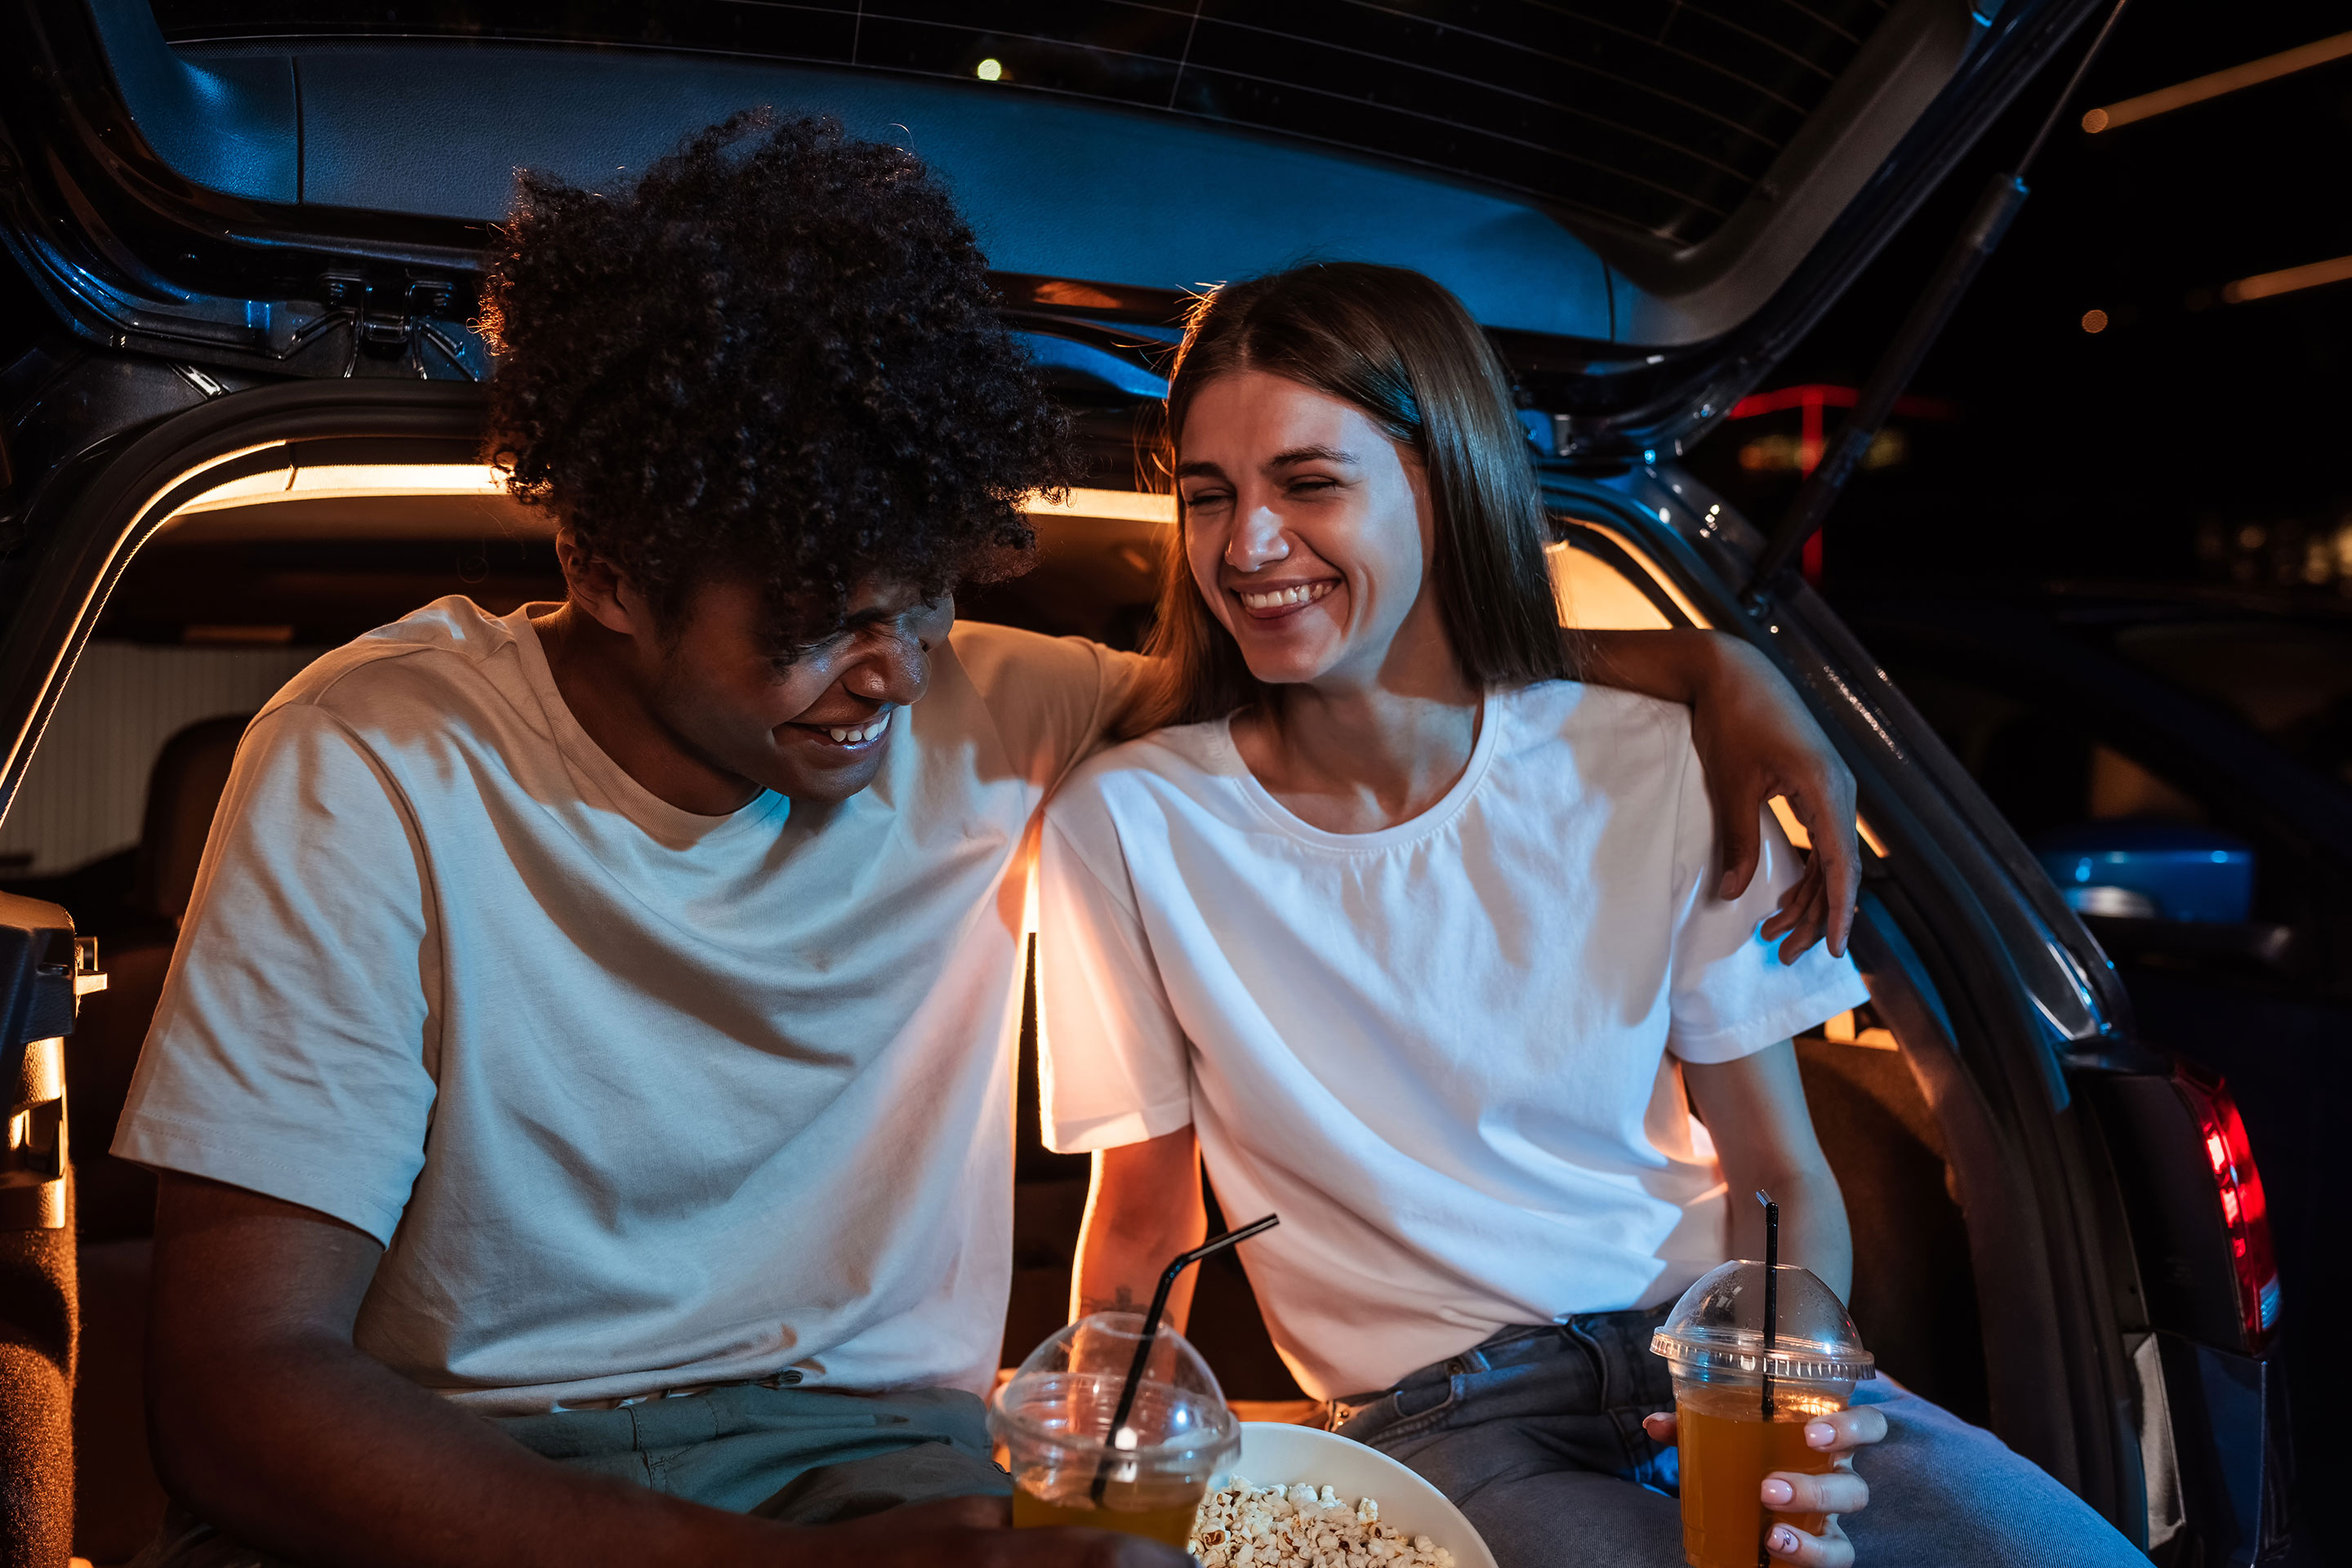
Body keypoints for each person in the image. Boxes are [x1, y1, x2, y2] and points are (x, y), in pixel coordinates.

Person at [115, 119, 1860, 1568]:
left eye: (929, 598)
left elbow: (1351, 675)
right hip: (461, 1480)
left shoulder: (991, 706)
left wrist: (1701, 668)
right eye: (818, 620)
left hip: (879, 1463)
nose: (889, 676)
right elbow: (242, 1385)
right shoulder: (376, 758)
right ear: (614, 573)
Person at [1035, 263, 2152, 1568]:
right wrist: (1094, 1485)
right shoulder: (1126, 825)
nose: (1247, 546)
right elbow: (1140, 1224)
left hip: (1717, 1355)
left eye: (1309, 483)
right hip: (1440, 1425)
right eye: (1210, 497)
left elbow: (1783, 1179)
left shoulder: (1658, 762)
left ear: (1442, 489)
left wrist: (1795, 1407)